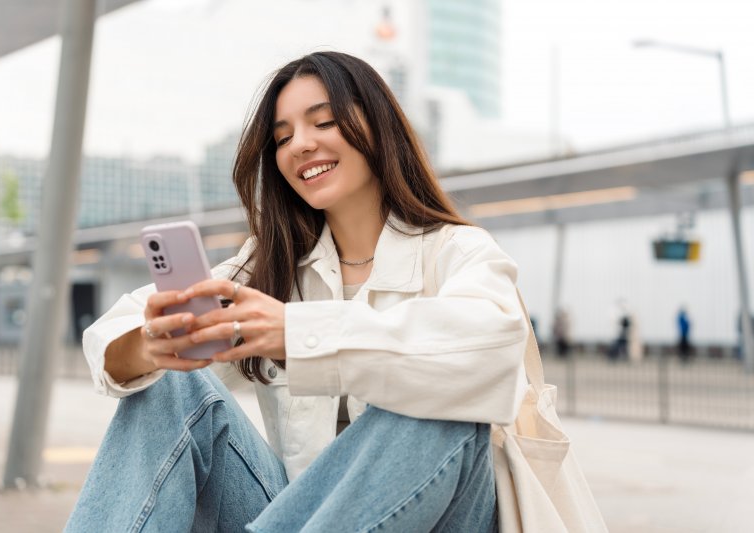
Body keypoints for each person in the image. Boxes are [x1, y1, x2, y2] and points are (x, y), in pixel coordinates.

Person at [66, 52, 528, 532]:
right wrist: (150, 343)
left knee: (436, 397)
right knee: (172, 383)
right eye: (283, 137)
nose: (301, 146)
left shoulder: (458, 251)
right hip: (299, 516)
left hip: (440, 517)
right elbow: (114, 332)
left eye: (323, 122)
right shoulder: (274, 265)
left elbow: (492, 352)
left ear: (379, 127)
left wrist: (298, 333)